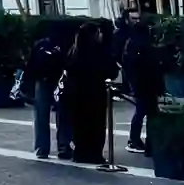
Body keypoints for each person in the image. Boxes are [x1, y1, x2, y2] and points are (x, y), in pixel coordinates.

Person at [64, 20, 115, 164]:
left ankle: (80, 152)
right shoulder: (98, 52)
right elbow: (110, 70)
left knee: (79, 124)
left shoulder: (74, 51)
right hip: (94, 94)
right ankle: (94, 153)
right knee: (96, 125)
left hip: (76, 94)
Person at [23, 20, 69, 160]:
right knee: (63, 115)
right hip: (58, 82)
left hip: (42, 81)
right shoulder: (64, 45)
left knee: (41, 117)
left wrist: (28, 83)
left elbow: (30, 65)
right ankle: (63, 146)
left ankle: (42, 148)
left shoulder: (40, 45)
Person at [119, 16, 162, 153]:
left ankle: (140, 140)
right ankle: (139, 140)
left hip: (141, 83)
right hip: (145, 83)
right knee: (146, 112)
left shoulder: (131, 44)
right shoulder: (142, 45)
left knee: (144, 112)